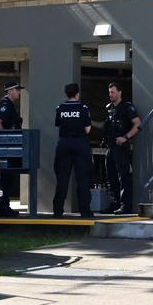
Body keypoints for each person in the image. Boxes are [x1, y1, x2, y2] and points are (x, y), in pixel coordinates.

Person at [52, 82, 93, 218]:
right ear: (77, 94)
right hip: (80, 143)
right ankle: (85, 211)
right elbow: (87, 129)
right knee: (82, 179)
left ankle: (58, 211)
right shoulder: (83, 108)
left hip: (64, 144)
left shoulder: (60, 108)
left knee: (62, 179)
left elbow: (58, 126)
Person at [104, 82, 141, 215]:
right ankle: (114, 203)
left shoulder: (126, 107)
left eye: (113, 92)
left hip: (121, 147)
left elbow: (137, 124)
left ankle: (125, 205)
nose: (110, 95)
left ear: (119, 92)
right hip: (110, 147)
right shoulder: (109, 108)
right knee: (111, 176)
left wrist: (126, 137)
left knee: (124, 176)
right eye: (109, 92)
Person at [0, 81, 24, 217]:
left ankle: (4, 206)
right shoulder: (5, 105)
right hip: (6, 148)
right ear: (10, 91)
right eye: (17, 90)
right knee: (6, 178)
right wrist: (7, 136)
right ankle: (2, 208)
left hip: (10, 148)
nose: (19, 92)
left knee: (8, 179)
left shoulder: (10, 105)